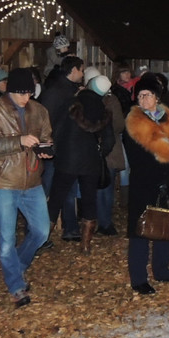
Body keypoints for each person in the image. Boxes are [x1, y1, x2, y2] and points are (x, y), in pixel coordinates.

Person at [0, 68, 53, 307]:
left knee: (42, 231)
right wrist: (18, 141)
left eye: (29, 93)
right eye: (21, 93)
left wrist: (45, 148)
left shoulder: (38, 110)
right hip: (5, 182)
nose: (25, 98)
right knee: (6, 239)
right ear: (10, 90)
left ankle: (16, 266)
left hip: (33, 181)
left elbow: (47, 136)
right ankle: (16, 286)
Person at [123, 74, 169, 295]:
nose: (143, 99)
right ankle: (139, 278)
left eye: (147, 95)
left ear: (157, 97)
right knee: (140, 232)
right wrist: (157, 177)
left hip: (168, 183)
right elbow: (136, 157)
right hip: (144, 184)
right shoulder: (133, 124)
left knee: (165, 228)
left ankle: (162, 270)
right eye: (140, 96)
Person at [47, 88, 114, 254]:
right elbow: (109, 140)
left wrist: (58, 151)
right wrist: (100, 153)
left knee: (56, 199)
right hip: (91, 162)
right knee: (89, 201)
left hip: (67, 160)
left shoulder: (70, 105)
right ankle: (85, 245)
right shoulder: (103, 110)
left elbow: (57, 130)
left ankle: (42, 239)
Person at [37, 55, 84, 241]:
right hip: (56, 148)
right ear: (74, 70)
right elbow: (45, 119)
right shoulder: (56, 92)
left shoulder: (71, 91)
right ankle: (39, 230)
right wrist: (48, 143)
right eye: (81, 70)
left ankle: (70, 227)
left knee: (69, 188)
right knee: (47, 189)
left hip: (67, 148)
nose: (82, 74)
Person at [90, 74, 126, 237]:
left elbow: (119, 125)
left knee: (101, 187)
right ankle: (105, 222)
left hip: (102, 149)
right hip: (110, 148)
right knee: (106, 187)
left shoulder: (93, 101)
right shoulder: (113, 101)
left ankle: (103, 222)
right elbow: (119, 125)